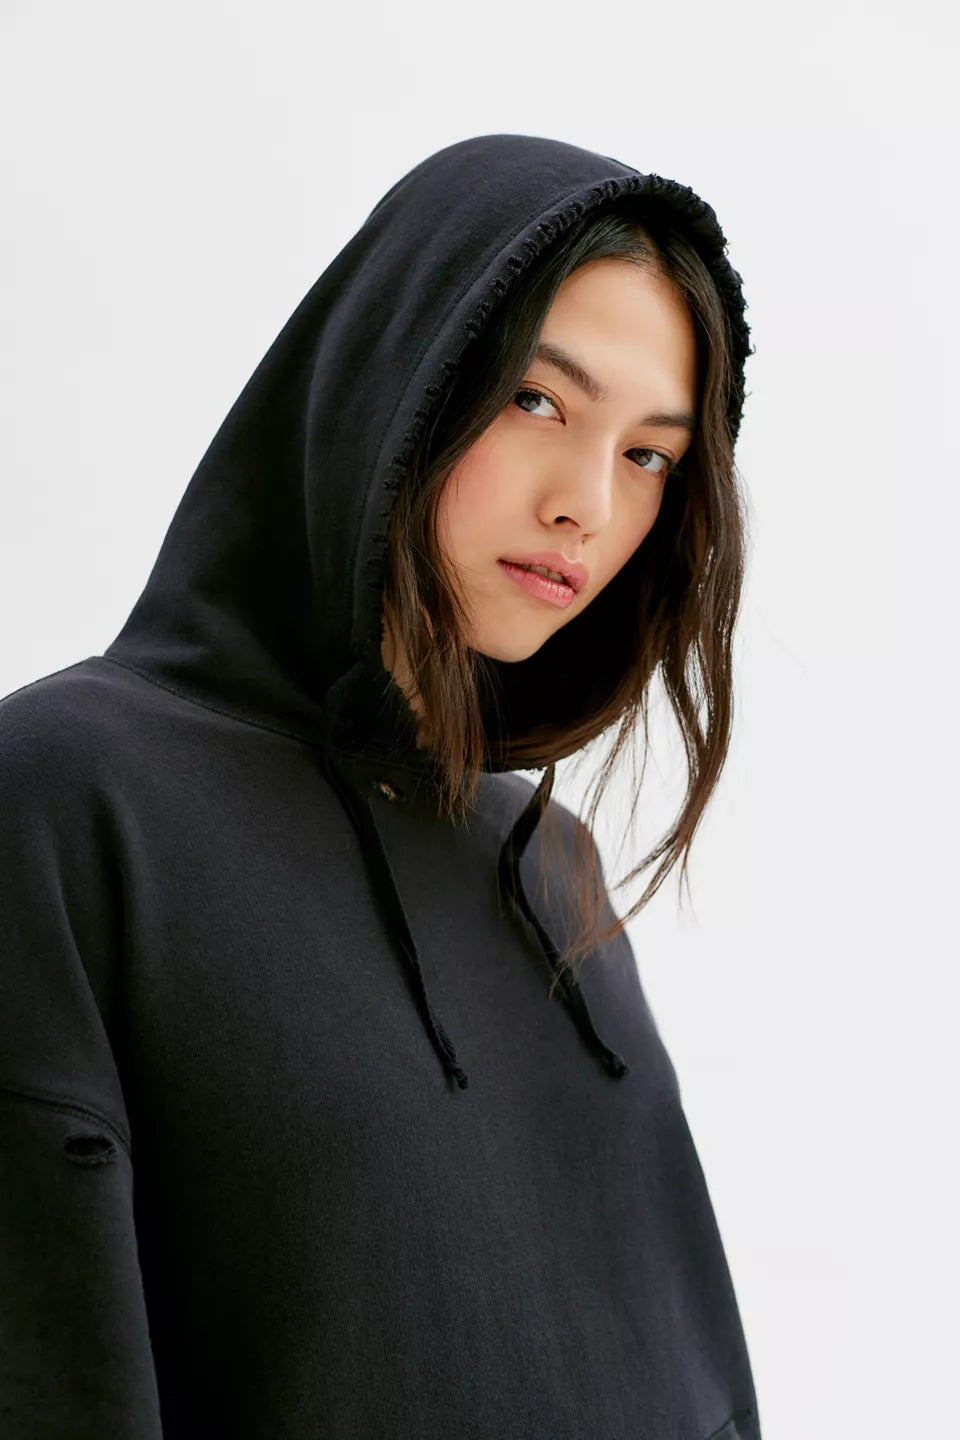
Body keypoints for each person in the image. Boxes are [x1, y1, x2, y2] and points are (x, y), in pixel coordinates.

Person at [0, 133, 761, 1439]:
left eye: (649, 455)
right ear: (397, 371)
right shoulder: (68, 800)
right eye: (538, 400)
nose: (587, 503)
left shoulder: (553, 871)